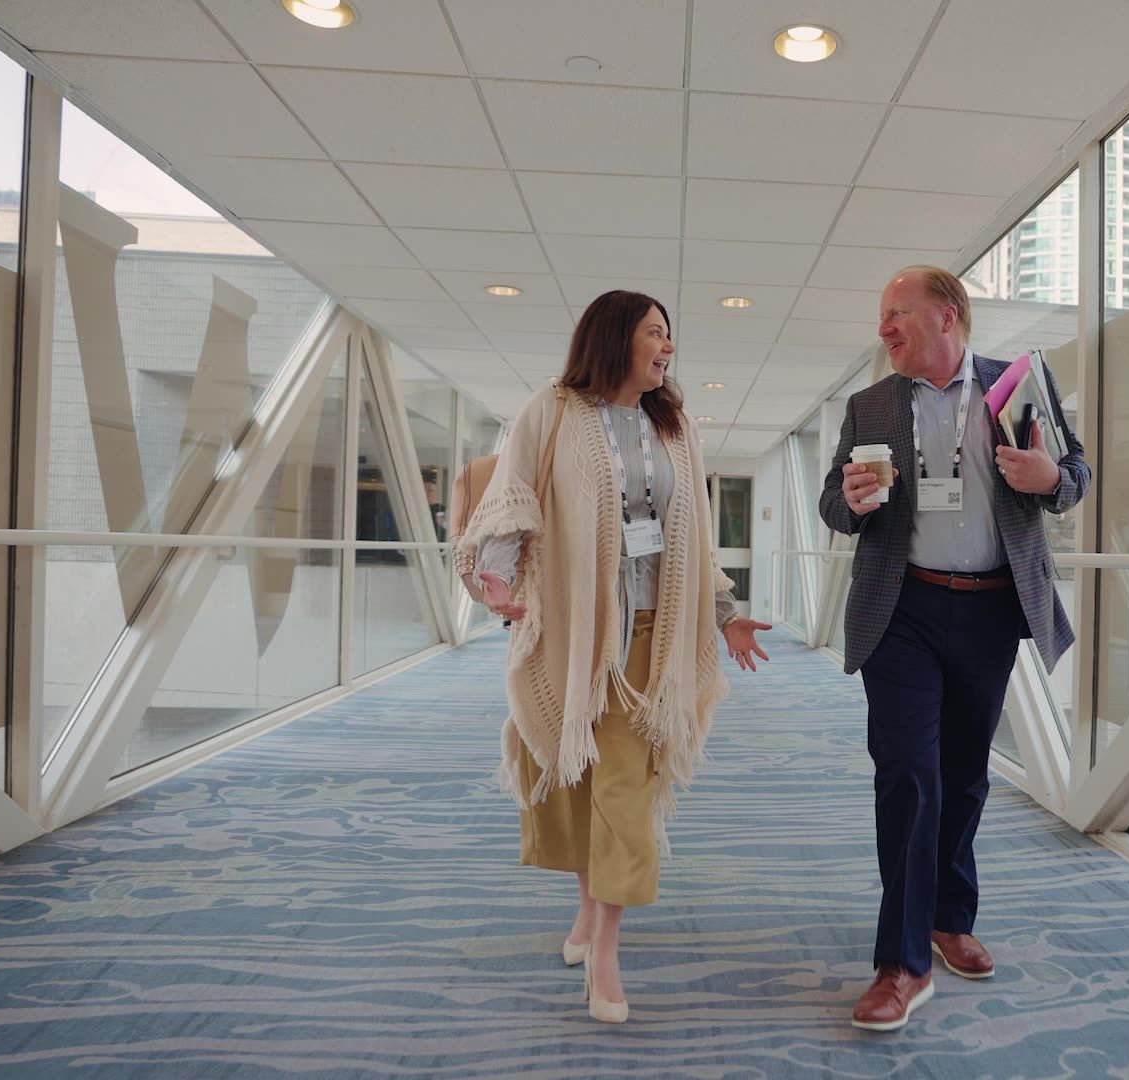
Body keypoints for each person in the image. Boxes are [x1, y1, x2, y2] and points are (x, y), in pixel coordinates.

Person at [457, 290, 772, 1024]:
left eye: (669, 334)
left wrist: (723, 616)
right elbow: (514, 498)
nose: (668, 346)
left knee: (625, 789)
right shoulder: (553, 411)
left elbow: (694, 533)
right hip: (572, 631)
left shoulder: (674, 427)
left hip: (650, 640)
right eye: (656, 332)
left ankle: (605, 949)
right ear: (615, 337)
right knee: (575, 780)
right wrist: (495, 578)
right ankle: (585, 908)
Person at [821, 266, 1090, 1032]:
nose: (884, 327)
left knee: (965, 775)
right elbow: (833, 503)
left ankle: (948, 917)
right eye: (882, 315)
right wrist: (851, 502)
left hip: (991, 610)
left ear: (946, 316)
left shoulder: (1017, 385)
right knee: (908, 773)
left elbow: (1076, 474)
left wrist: (1050, 477)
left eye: (897, 312)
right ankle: (901, 963)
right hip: (901, 610)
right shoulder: (871, 404)